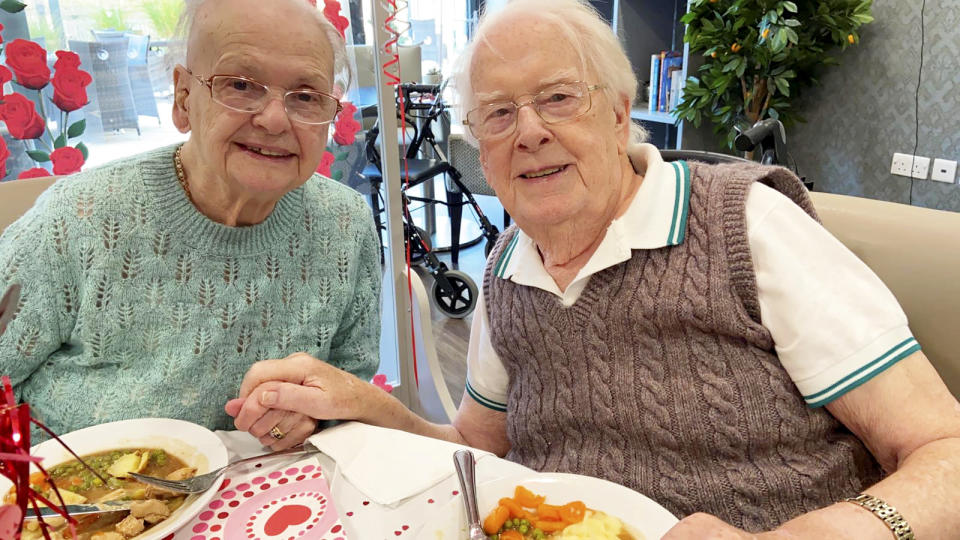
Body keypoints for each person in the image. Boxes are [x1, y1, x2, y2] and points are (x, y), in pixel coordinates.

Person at [228, 0, 960, 537]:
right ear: (479, 147)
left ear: (618, 112)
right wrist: (358, 400)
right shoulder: (507, 269)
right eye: (500, 114)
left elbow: (943, 450)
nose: (532, 132)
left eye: (557, 99)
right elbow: (479, 450)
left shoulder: (747, 225)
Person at [0, 0, 381, 450]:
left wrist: (312, 421)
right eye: (240, 85)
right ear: (183, 99)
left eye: (306, 96)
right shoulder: (77, 218)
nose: (276, 119)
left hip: (277, 499)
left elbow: (350, 387)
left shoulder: (346, 223)